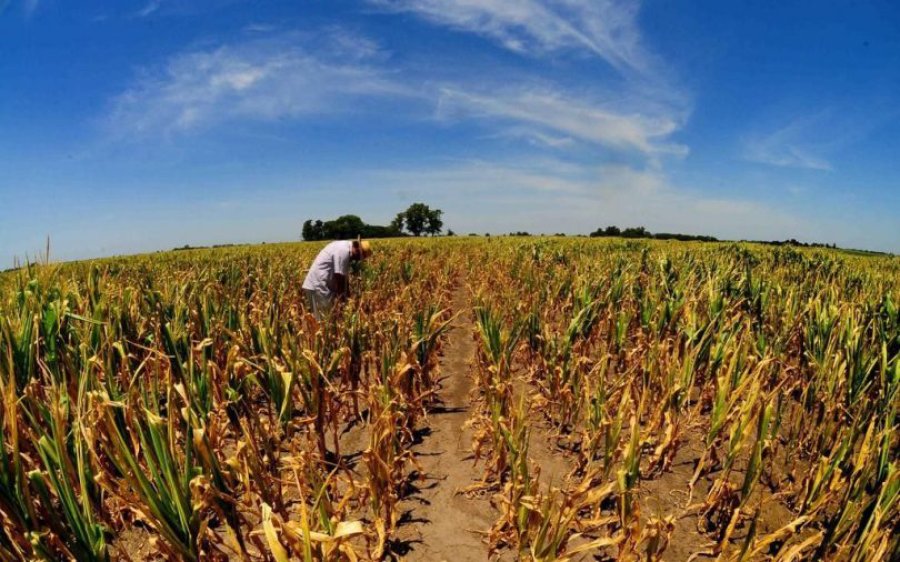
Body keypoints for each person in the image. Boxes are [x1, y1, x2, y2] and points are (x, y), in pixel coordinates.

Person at [302, 238, 372, 319]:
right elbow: (340, 278)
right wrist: (344, 301)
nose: (358, 260)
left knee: (328, 318)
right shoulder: (343, 251)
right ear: (357, 249)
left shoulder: (344, 248)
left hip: (320, 286)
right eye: (360, 257)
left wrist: (347, 297)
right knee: (323, 320)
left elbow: (344, 278)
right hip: (318, 287)